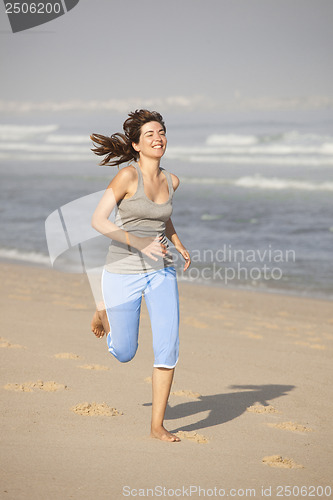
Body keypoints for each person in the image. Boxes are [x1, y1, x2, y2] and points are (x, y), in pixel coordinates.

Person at [89, 109, 191, 442]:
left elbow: (162, 218)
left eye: (161, 132)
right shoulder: (127, 178)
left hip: (161, 271)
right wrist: (140, 243)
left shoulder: (171, 180)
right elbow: (99, 221)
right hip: (123, 271)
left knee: (168, 346)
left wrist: (177, 242)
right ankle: (103, 311)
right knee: (124, 352)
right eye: (149, 134)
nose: (158, 137)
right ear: (136, 144)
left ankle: (157, 425)